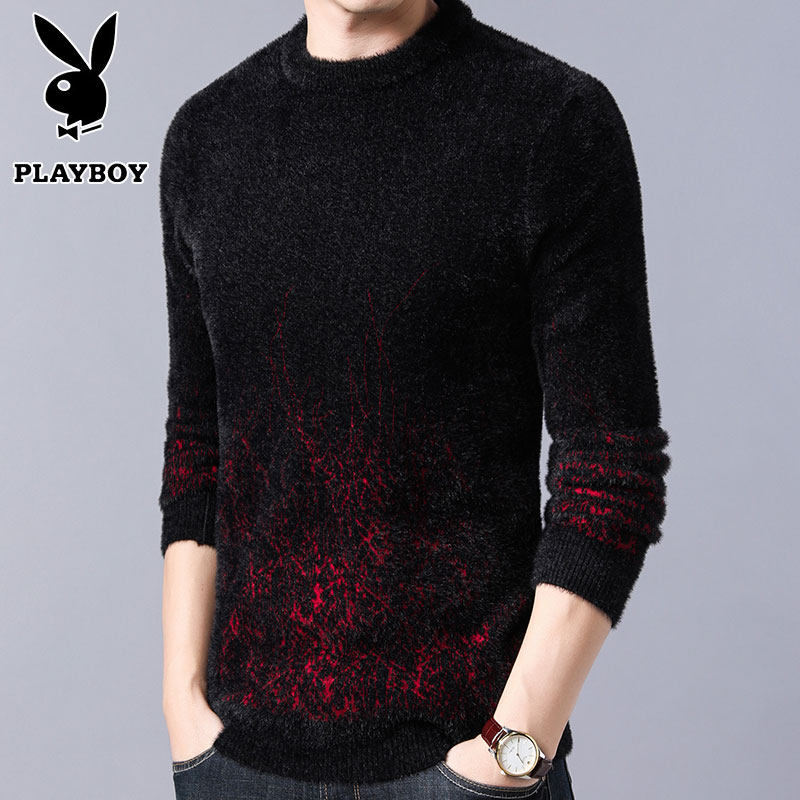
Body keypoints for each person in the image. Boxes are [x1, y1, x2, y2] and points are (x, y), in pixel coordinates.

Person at [158, 1, 671, 798]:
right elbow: (200, 441)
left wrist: (513, 747)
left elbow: (611, 462)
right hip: (235, 762)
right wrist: (181, 701)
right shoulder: (207, 135)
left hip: (467, 763)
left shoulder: (550, 121)